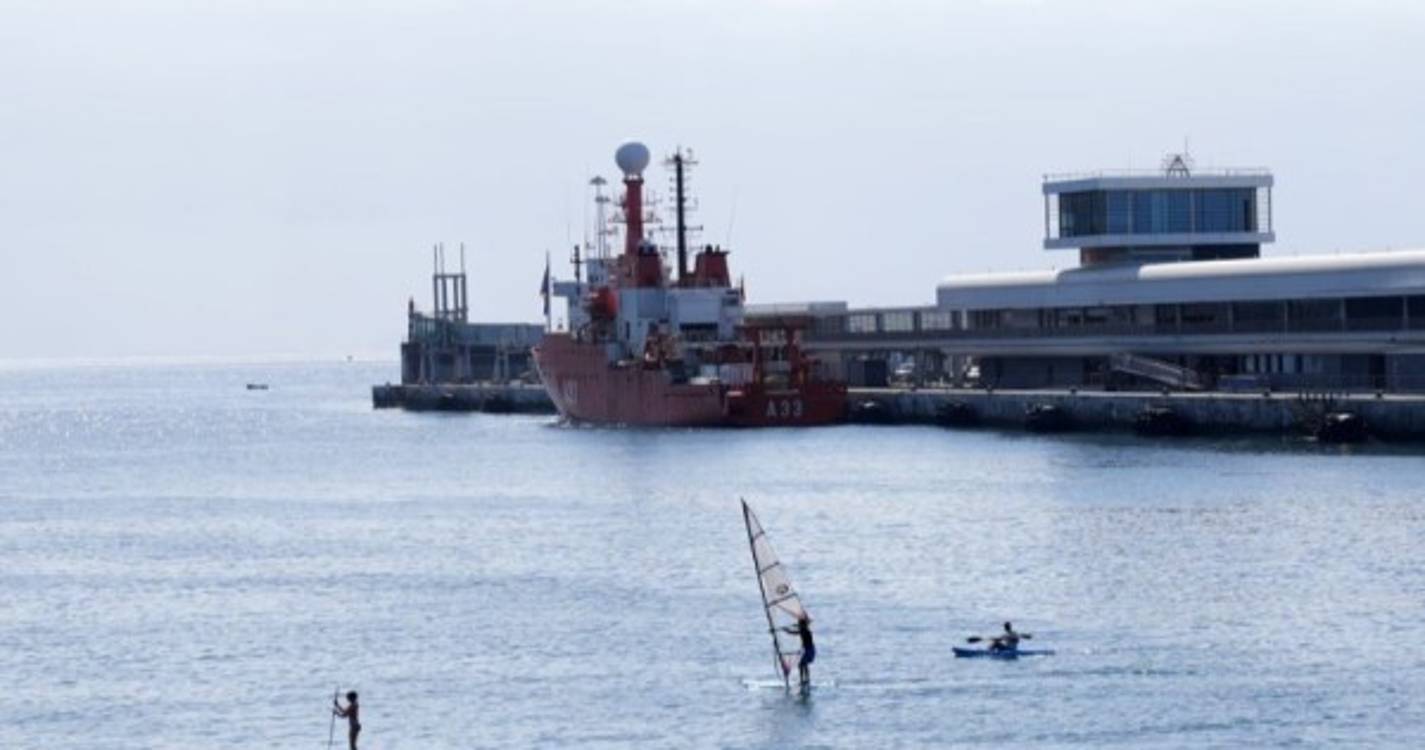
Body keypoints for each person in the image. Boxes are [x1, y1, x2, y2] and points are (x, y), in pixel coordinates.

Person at [782, 614, 816, 688]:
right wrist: (789, 628)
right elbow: (798, 629)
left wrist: (787, 630)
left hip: (810, 650)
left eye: (800, 625)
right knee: (803, 664)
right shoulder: (804, 629)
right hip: (808, 650)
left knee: (802, 664)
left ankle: (805, 680)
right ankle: (805, 680)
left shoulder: (806, 631)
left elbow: (796, 632)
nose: (799, 626)